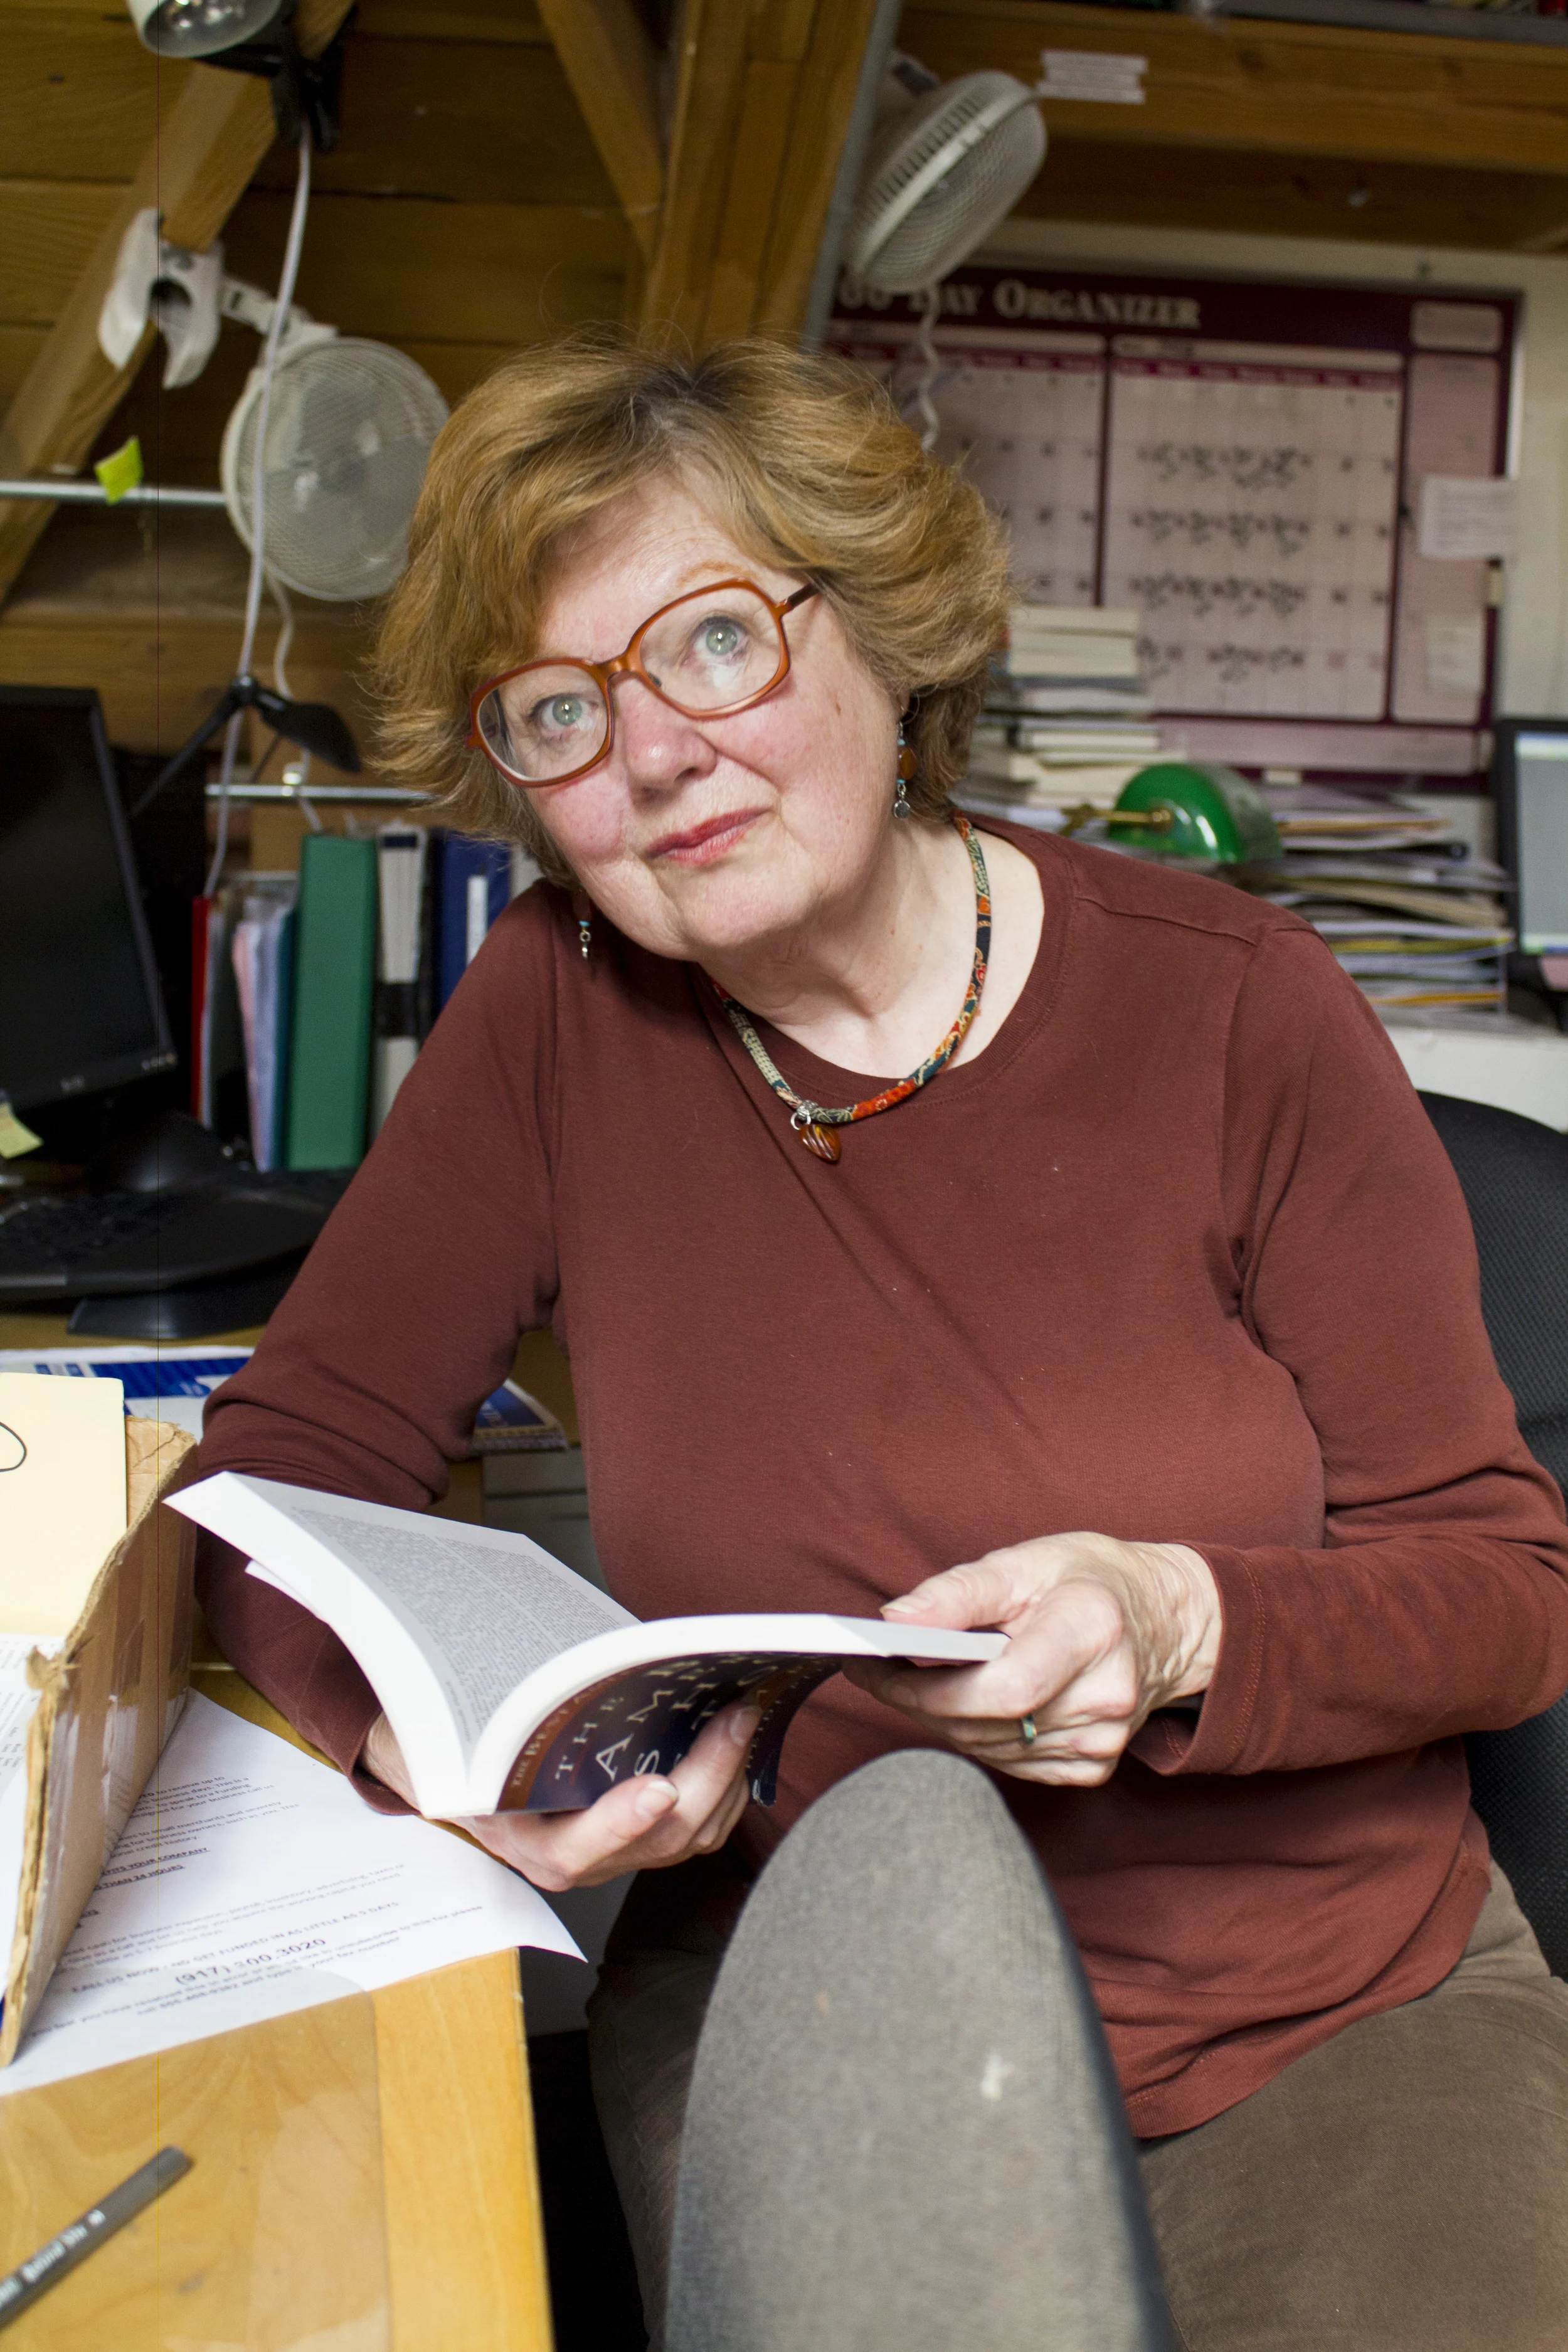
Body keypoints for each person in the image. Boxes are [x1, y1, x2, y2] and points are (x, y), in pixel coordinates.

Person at [197, 337, 1568, 2348]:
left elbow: (1506, 1594)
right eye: (560, 712)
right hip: (808, 1987)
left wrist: (1178, 1620)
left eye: (713, 644)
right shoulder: (554, 1016)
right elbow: (276, 1472)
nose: (650, 754)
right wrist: (413, 1742)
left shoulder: (1242, 1009)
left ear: (881, 639)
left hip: (1325, 2009)